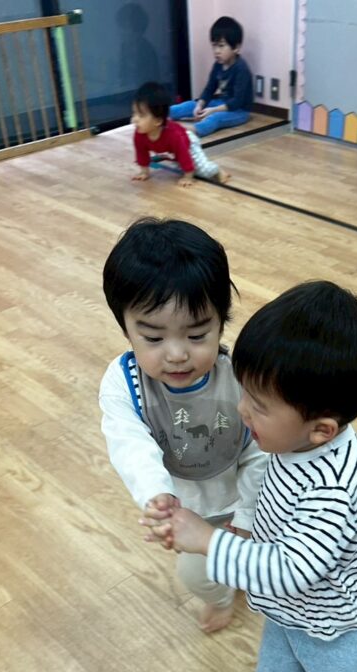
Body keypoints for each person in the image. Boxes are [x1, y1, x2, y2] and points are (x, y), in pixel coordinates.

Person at [142, 282, 357, 672]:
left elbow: (290, 569)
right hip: (290, 607)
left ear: (321, 429)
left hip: (342, 619)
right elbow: (268, 501)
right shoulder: (291, 441)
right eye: (245, 392)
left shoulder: (334, 489)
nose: (242, 410)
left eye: (258, 405)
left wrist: (208, 539)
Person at [99, 218, 267, 633]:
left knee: (261, 561)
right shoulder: (124, 384)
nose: (176, 355)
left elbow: (260, 451)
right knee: (198, 576)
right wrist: (157, 496)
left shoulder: (239, 374)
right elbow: (129, 444)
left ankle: (245, 578)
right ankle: (221, 597)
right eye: (153, 338)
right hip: (187, 508)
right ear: (126, 328)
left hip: (249, 498)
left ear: (221, 322)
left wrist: (247, 515)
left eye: (196, 335)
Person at [131, 81, 230, 187]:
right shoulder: (140, 134)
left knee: (203, 171)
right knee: (182, 167)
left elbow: (184, 154)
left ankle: (217, 170)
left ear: (158, 121)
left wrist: (188, 177)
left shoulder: (174, 135)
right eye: (134, 113)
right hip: (175, 149)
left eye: (141, 115)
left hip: (188, 141)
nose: (135, 119)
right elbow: (142, 154)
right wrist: (144, 172)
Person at [169, 16, 253, 139]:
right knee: (191, 104)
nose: (216, 51)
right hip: (221, 103)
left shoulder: (241, 69)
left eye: (221, 46)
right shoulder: (218, 65)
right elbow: (209, 89)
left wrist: (213, 110)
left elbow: (236, 102)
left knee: (214, 118)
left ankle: (193, 130)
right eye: (214, 46)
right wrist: (200, 105)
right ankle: (160, 114)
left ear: (236, 48)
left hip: (239, 110)